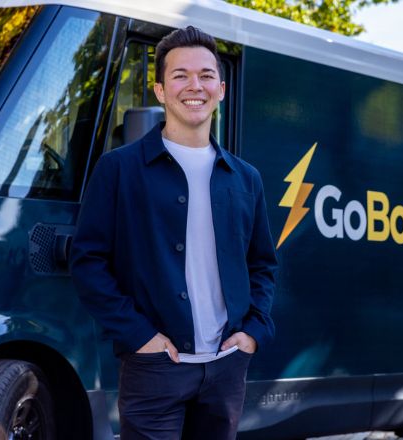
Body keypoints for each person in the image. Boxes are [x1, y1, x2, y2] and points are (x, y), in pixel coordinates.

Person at [70, 26, 277, 439]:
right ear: (161, 90)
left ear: (220, 88)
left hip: (225, 369)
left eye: (204, 75)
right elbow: (88, 262)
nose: (193, 85)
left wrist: (252, 333)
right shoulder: (119, 169)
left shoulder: (246, 179)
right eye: (180, 75)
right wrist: (139, 336)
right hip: (153, 367)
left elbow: (263, 266)